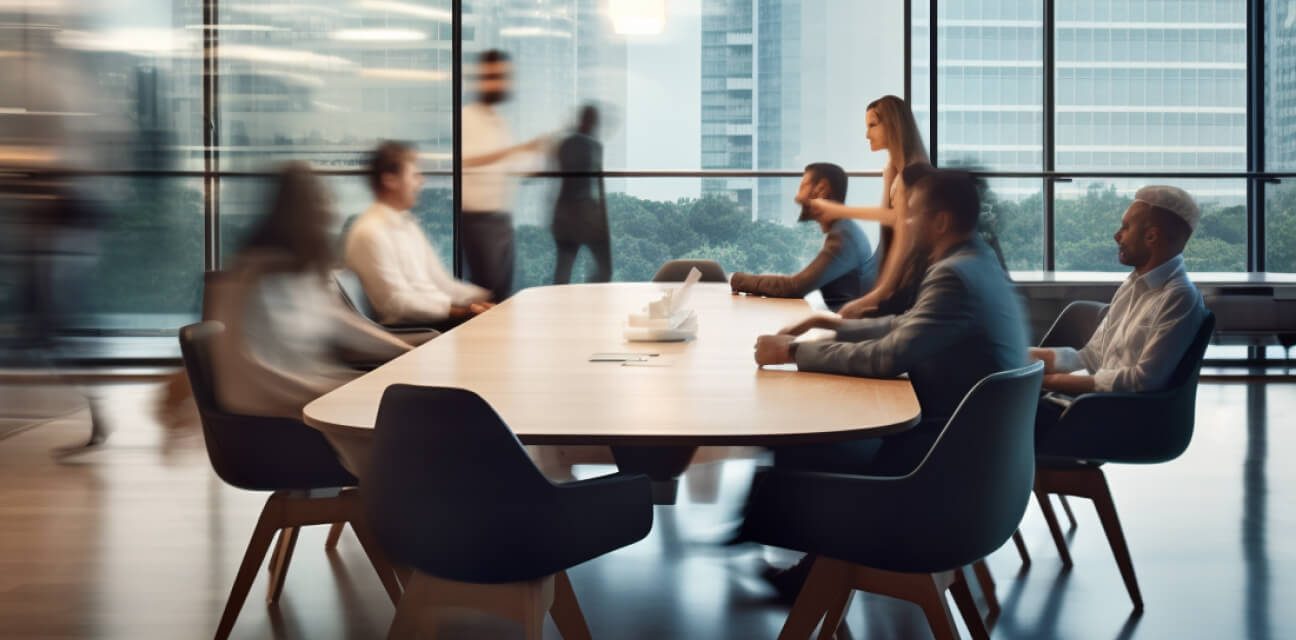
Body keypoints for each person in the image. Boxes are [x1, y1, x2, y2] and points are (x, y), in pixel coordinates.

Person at [745, 165, 1029, 600]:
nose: (901, 222)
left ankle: (820, 572)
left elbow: (887, 357)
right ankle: (816, 568)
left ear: (939, 222)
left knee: (798, 452)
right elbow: (906, 325)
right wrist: (832, 327)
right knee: (810, 443)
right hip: (982, 469)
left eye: (909, 213)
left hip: (936, 470)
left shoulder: (954, 276)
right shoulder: (976, 262)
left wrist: (792, 353)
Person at [209, 163, 412, 419]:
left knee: (408, 406)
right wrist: (339, 394)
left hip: (310, 394)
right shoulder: (249, 280)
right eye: (323, 203)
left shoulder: (302, 273)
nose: (332, 213)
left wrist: (406, 353)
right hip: (272, 415)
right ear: (298, 214)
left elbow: (342, 324)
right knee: (405, 415)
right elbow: (251, 374)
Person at [1030, 186, 1207, 397]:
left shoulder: (1179, 297)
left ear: (1151, 236)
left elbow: (1142, 381)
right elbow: (1091, 358)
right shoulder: (1131, 285)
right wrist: (1022, 356)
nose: (1117, 236)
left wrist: (1049, 381)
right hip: (1088, 405)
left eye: (1125, 227)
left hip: (1118, 415)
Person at [345, 141, 493, 332]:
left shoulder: (407, 224)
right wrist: (461, 312)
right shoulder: (369, 232)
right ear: (390, 180)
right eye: (414, 174)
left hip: (438, 318)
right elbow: (396, 304)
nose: (421, 181)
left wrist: (485, 298)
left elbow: (442, 283)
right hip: (416, 327)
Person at [805, 95, 931, 319]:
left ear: (892, 125)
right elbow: (888, 223)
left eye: (873, 125)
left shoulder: (913, 175)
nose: (867, 134)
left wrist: (838, 210)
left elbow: (896, 221)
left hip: (902, 280)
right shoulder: (894, 171)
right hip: (883, 270)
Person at [729, 163, 878, 311]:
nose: (797, 197)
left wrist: (738, 280)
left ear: (821, 189)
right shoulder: (843, 230)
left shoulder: (843, 238)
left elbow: (795, 287)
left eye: (803, 186)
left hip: (845, 326)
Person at [461, 49, 546, 301]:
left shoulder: (497, 120)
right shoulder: (467, 118)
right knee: (488, 294)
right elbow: (466, 160)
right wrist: (518, 149)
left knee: (502, 292)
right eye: (493, 76)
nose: (501, 83)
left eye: (503, 76)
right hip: (478, 221)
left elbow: (506, 164)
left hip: (501, 221)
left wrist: (532, 161)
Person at [551, 104, 612, 284]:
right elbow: (598, 187)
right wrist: (603, 221)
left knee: (563, 270)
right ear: (593, 122)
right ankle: (590, 300)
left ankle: (563, 306)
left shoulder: (564, 144)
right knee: (604, 268)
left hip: (563, 216)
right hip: (586, 217)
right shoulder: (593, 146)